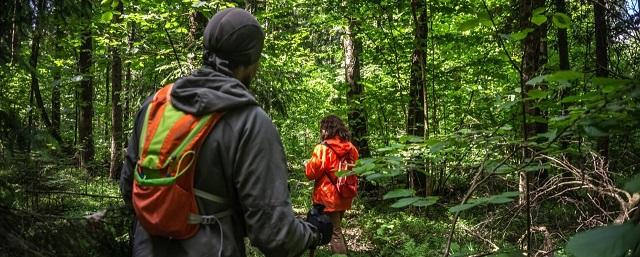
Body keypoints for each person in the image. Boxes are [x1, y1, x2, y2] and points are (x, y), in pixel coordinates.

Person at [120, 8, 331, 257]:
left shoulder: (156, 104)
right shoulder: (251, 123)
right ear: (251, 62)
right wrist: (312, 233)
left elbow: (128, 188)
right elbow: (274, 234)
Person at [305, 115, 359, 254]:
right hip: (345, 194)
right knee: (337, 229)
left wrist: (307, 165)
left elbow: (311, 174)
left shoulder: (322, 149)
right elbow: (355, 168)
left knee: (335, 233)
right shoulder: (351, 148)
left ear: (325, 129)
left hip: (328, 197)